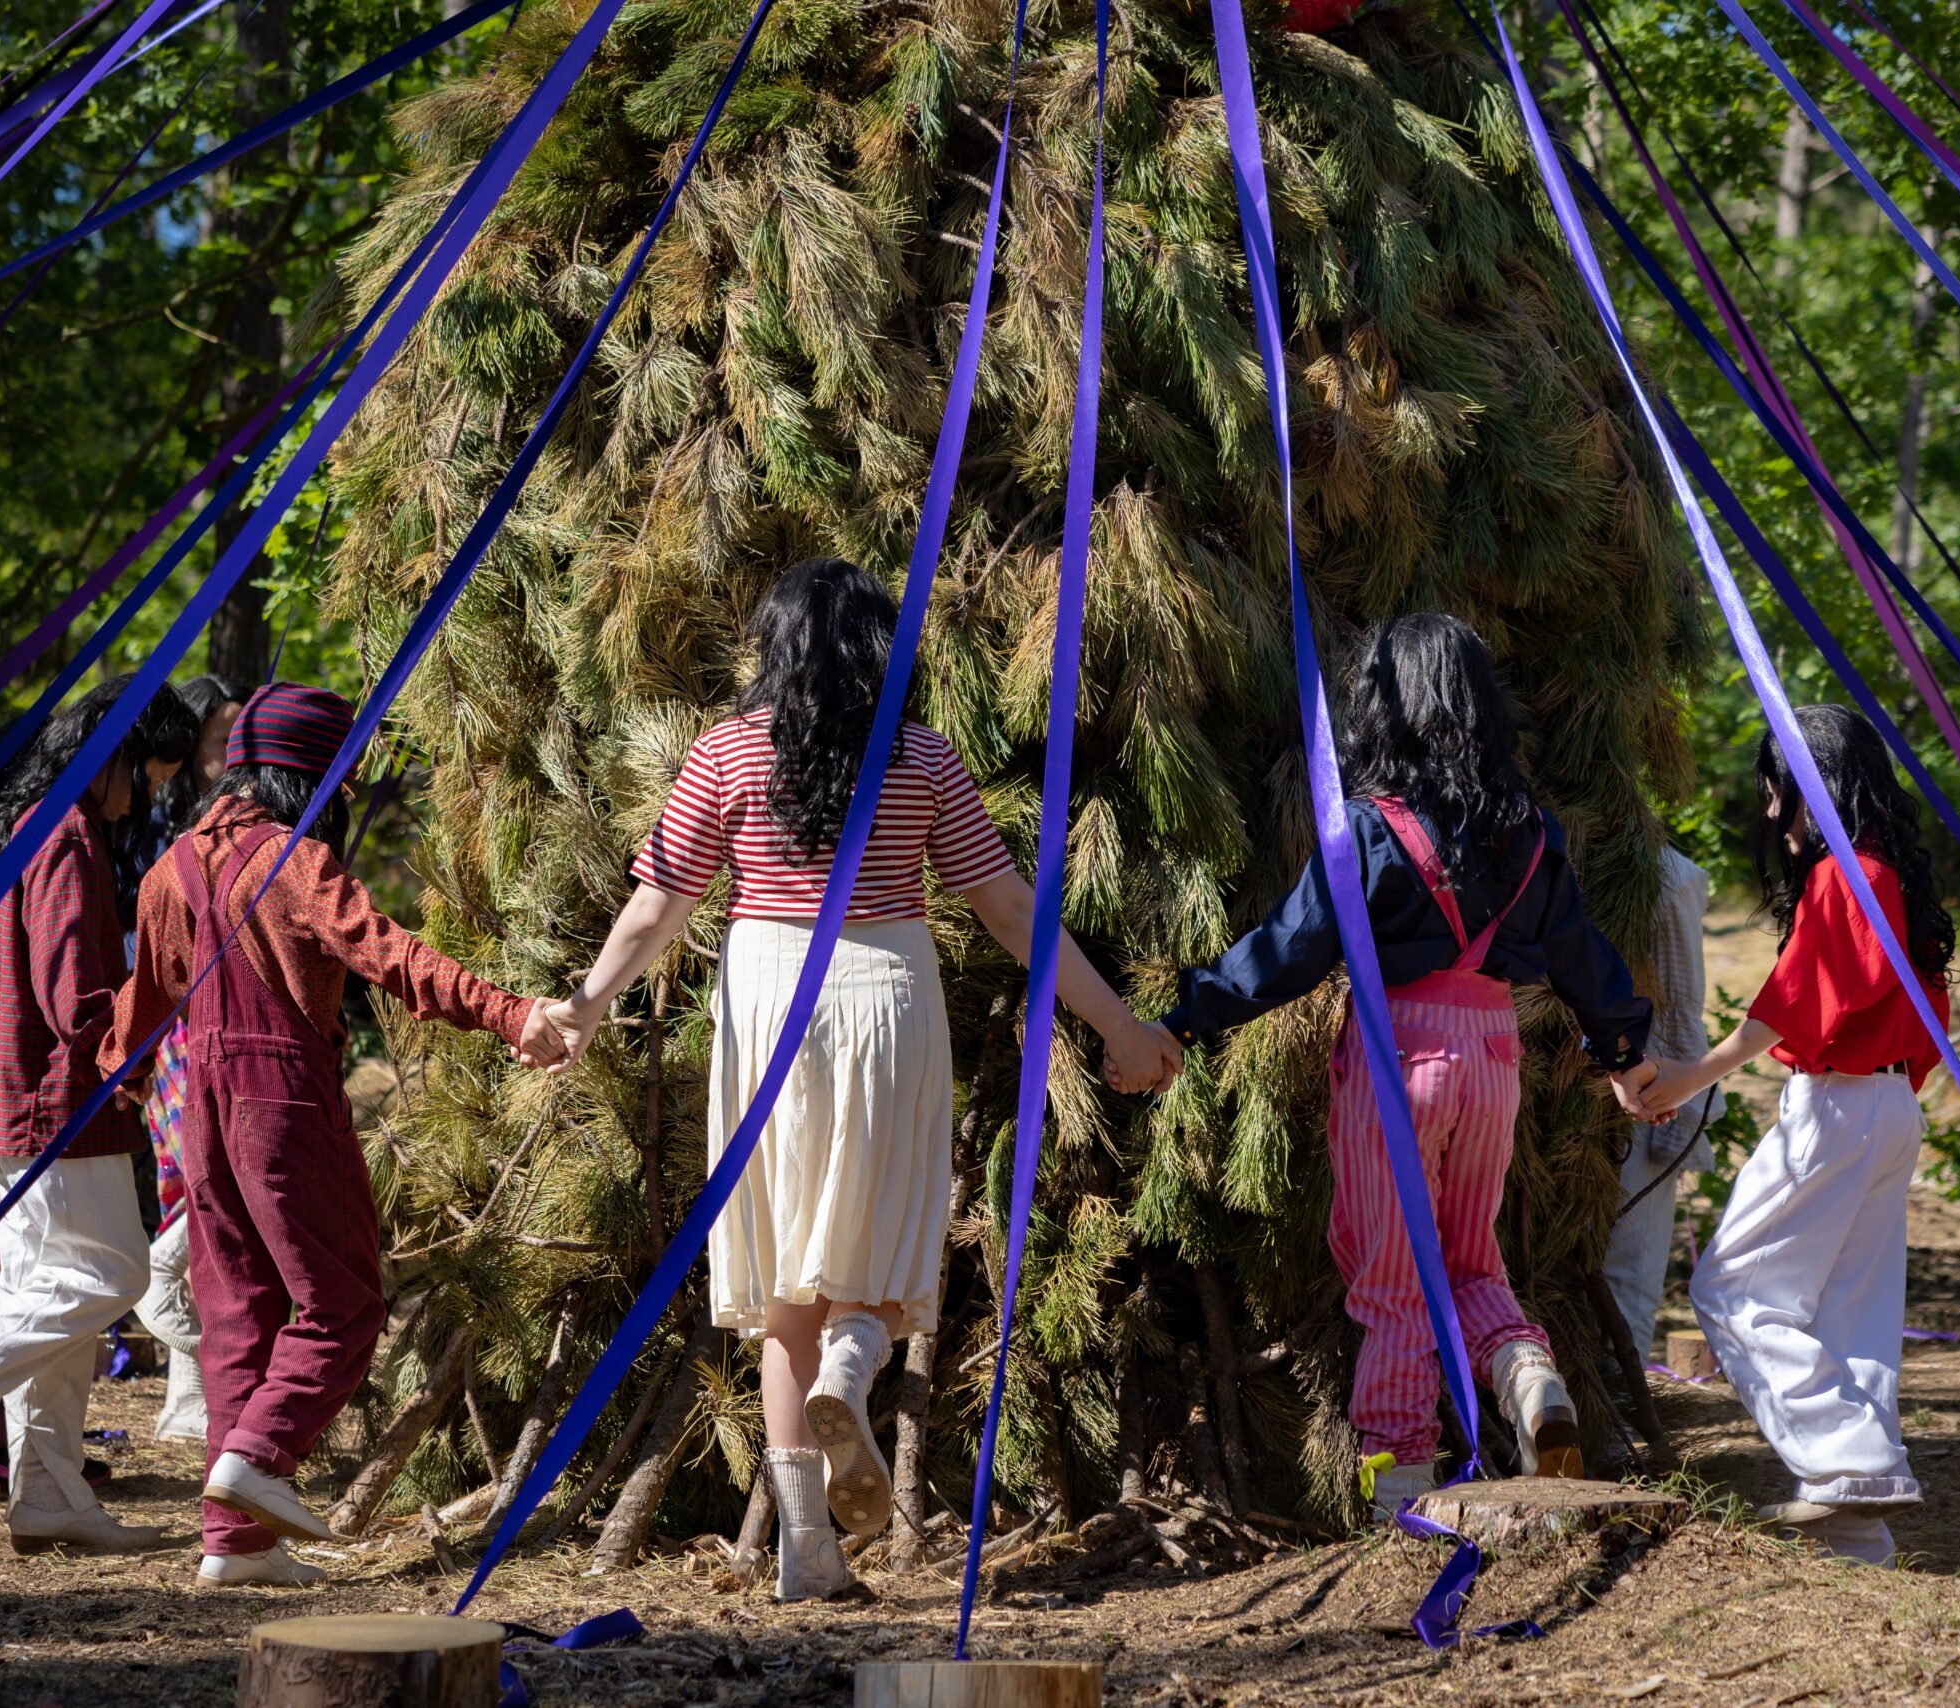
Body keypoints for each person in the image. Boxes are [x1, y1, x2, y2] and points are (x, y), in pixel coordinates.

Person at [538, 558, 1180, 1602]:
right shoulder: (922, 758)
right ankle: (855, 1359)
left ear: (777, 649)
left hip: (767, 995)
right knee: (882, 1224)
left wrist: (583, 1006)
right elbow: (1009, 912)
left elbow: (658, 906)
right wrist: (1122, 1026)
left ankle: (807, 1549)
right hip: (885, 989)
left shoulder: (723, 754)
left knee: (787, 1275)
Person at [1148, 614, 1658, 1516]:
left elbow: (1288, 951)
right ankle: (1527, 1370)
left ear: (1384, 707)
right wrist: (1622, 1051)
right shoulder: (1528, 832)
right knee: (1470, 1259)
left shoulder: (1367, 832)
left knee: (1390, 1279)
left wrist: (1184, 1019)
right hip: (1493, 1053)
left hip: (1397, 1057)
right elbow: (1584, 955)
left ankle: (1401, 1486)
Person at [105, 681, 564, 1587]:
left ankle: (234, 1545)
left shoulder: (170, 869)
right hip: (281, 1098)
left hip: (200, 1104)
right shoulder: (294, 862)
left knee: (239, 1315)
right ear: (310, 778)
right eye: (340, 783)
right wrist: (512, 1014)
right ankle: (259, 1457)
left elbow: (141, 1010)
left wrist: (118, 1072)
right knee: (344, 1304)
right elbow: (394, 955)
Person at [0, 677, 197, 1555]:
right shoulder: (68, 838)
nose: (144, 799)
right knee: (112, 1275)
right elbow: (74, 995)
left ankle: (50, 1493)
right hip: (55, 1103)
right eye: (147, 777)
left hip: (29, 1098)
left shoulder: (42, 828)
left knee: (44, 1298)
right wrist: (133, 1050)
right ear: (113, 756)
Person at [1635, 706, 1953, 1569]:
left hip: (1841, 1106)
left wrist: (1691, 1075)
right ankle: (1860, 1537)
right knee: (1853, 1311)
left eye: (1778, 790)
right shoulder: (1893, 876)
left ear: (1817, 787)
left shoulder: (1847, 876)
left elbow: (1797, 1001)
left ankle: (1851, 1463)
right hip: (1889, 1107)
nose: (1772, 811)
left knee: (1734, 1286)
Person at [128, 675, 248, 1445]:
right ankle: (187, 1372)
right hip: (175, 1028)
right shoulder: (159, 831)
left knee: (209, 1197)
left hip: (218, 1023)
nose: (232, 753)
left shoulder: (245, 822)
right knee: (195, 1189)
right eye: (220, 739)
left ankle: (189, 1401)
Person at [1600, 843, 1726, 1359]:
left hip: (1647, 1084)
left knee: (1630, 1257)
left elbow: (1679, 1003)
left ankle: (1618, 1397)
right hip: (1558, 1086)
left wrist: (1677, 1098)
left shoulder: (1666, 874)